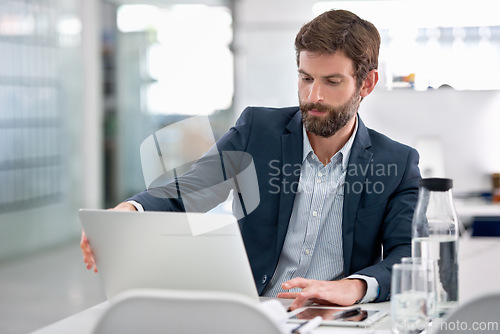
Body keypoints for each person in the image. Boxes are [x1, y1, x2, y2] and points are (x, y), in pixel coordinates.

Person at [81, 9, 420, 311]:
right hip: (254, 312)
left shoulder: (396, 163)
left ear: (367, 83)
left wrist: (353, 287)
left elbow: (406, 255)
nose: (313, 95)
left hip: (336, 318)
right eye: (305, 78)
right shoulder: (258, 131)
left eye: (332, 82)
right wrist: (131, 211)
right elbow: (191, 191)